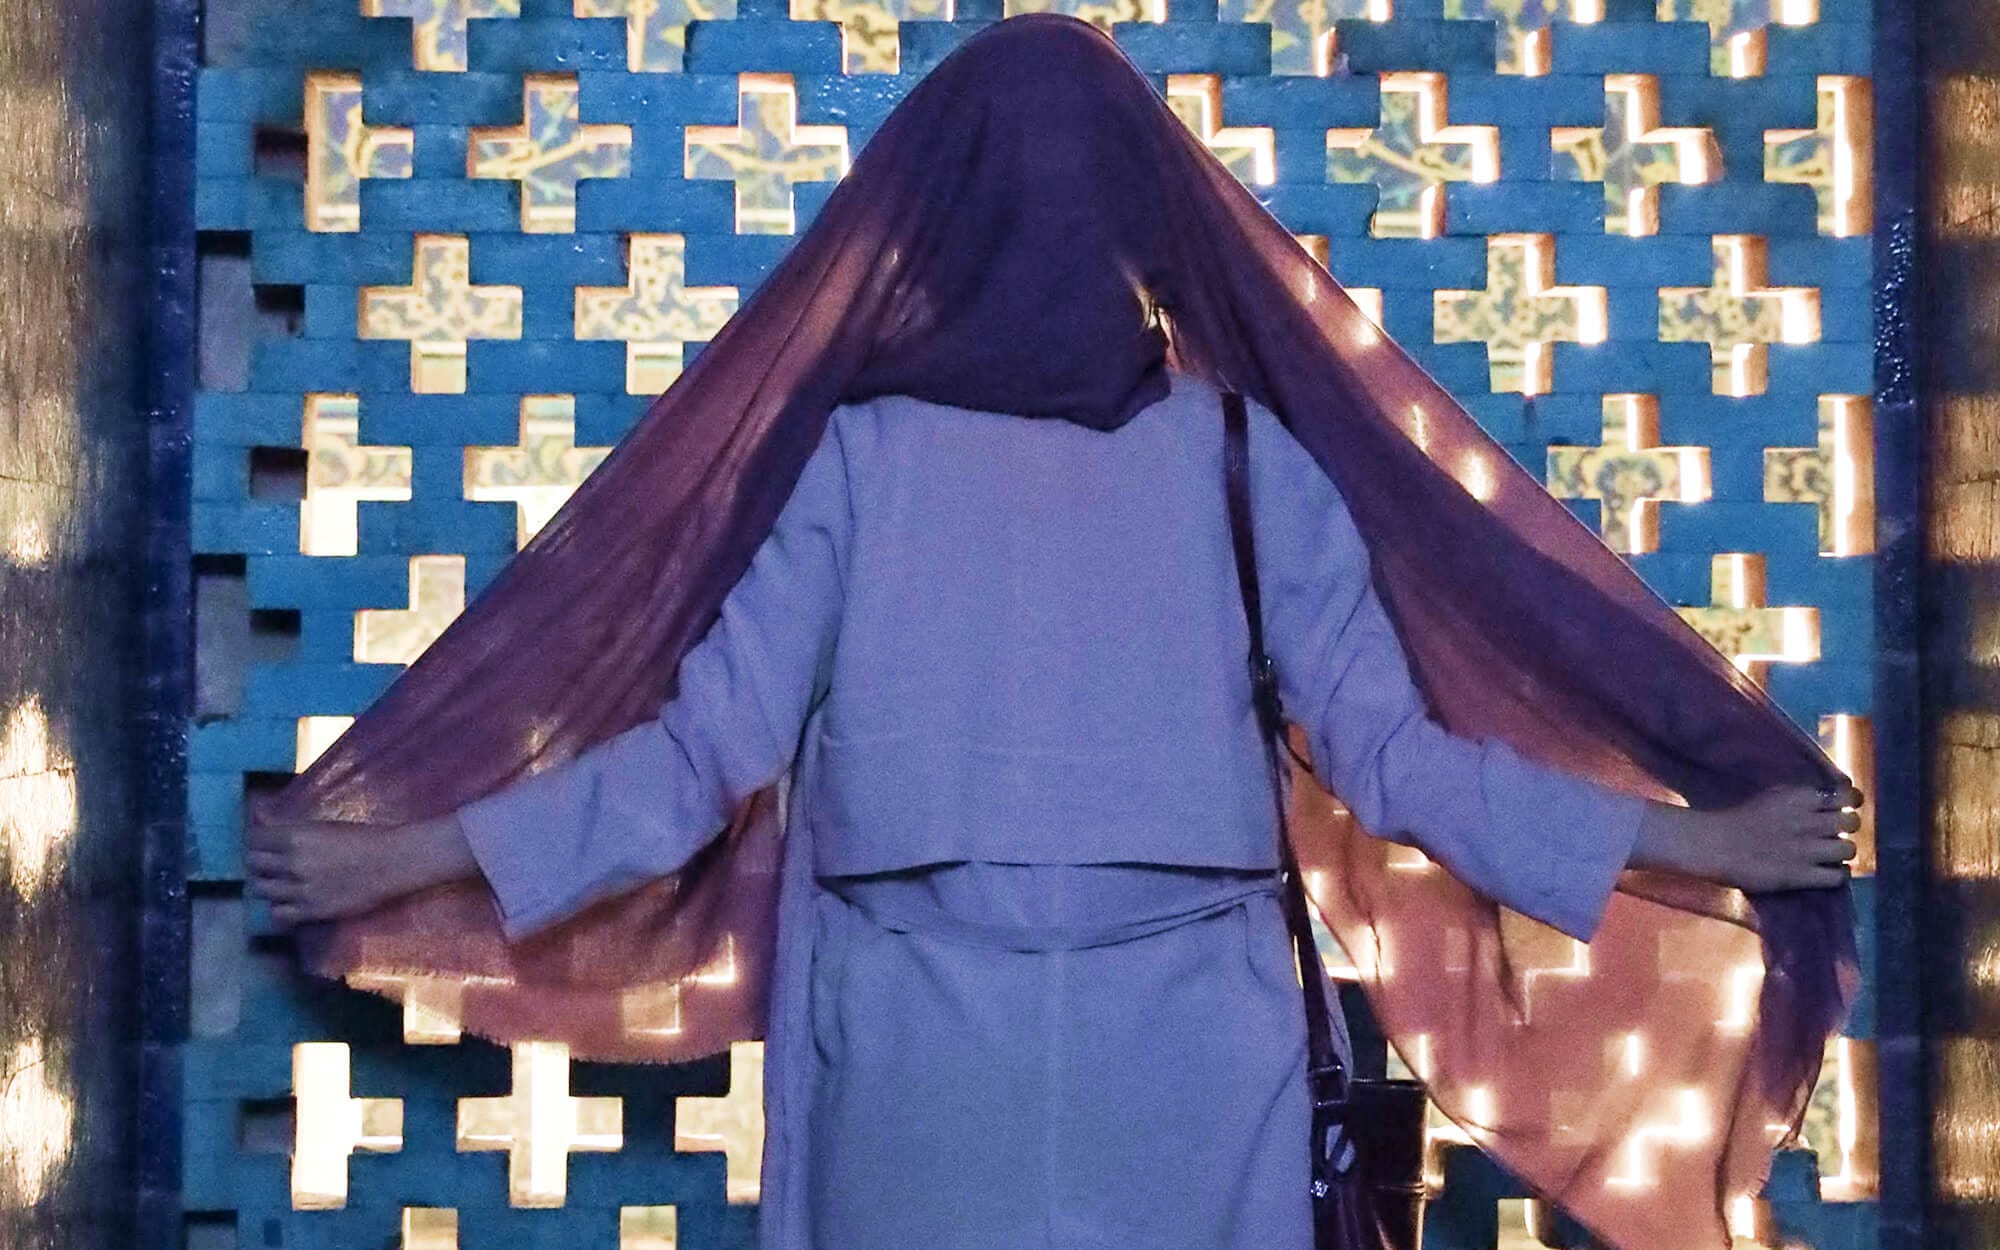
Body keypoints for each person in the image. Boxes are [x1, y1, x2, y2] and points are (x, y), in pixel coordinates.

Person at [243, 14, 1864, 1250]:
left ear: (933, 215)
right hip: (1194, 1069)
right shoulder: (1245, 462)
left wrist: (397, 859)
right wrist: (1705, 840)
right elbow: (1402, 767)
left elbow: (691, 769)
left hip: (911, 1068)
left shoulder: (859, 460)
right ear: (1147, 219)